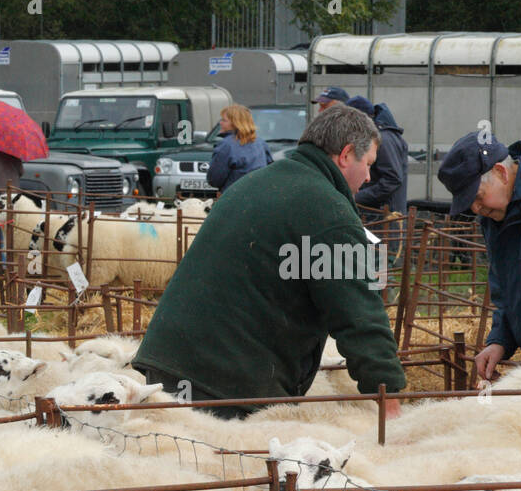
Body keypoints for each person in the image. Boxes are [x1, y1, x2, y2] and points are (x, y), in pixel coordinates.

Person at [132, 104, 405, 419]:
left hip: (169, 364)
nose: (370, 176)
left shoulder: (257, 183)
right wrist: (390, 400)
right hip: (225, 384)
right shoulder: (328, 211)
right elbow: (359, 316)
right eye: (368, 163)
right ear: (345, 155)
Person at [437, 129, 521, 384]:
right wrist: (500, 341)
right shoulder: (494, 219)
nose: (475, 208)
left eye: (477, 197)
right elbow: (505, 290)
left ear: (501, 173)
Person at [206, 104, 272, 194]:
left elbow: (214, 179)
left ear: (235, 123)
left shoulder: (227, 145)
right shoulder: (261, 143)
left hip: (233, 196)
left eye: (224, 120)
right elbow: (269, 170)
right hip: (258, 195)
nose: (220, 123)